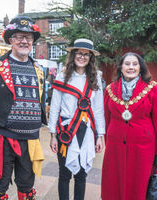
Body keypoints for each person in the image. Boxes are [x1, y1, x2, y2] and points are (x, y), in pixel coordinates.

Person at [0, 16, 46, 199]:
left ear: (32, 42)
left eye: (28, 37)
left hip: (30, 138)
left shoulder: (38, 70)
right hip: (3, 137)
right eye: (19, 37)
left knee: (27, 184)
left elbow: (41, 98)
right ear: (11, 40)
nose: (24, 41)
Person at [101, 52, 157, 200]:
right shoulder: (109, 90)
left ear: (140, 67)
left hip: (143, 149)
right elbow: (106, 119)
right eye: (127, 64)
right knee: (113, 186)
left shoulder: (152, 88)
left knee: (139, 187)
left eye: (134, 64)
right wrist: (105, 141)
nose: (130, 67)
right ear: (120, 67)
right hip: (115, 148)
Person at [48, 38, 105, 200]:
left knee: (81, 175)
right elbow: (55, 107)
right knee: (64, 174)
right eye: (79, 53)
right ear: (73, 55)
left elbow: (99, 109)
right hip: (65, 131)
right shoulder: (62, 76)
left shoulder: (96, 79)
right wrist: (53, 135)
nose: (82, 57)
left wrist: (100, 136)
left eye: (86, 54)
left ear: (91, 58)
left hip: (86, 132)